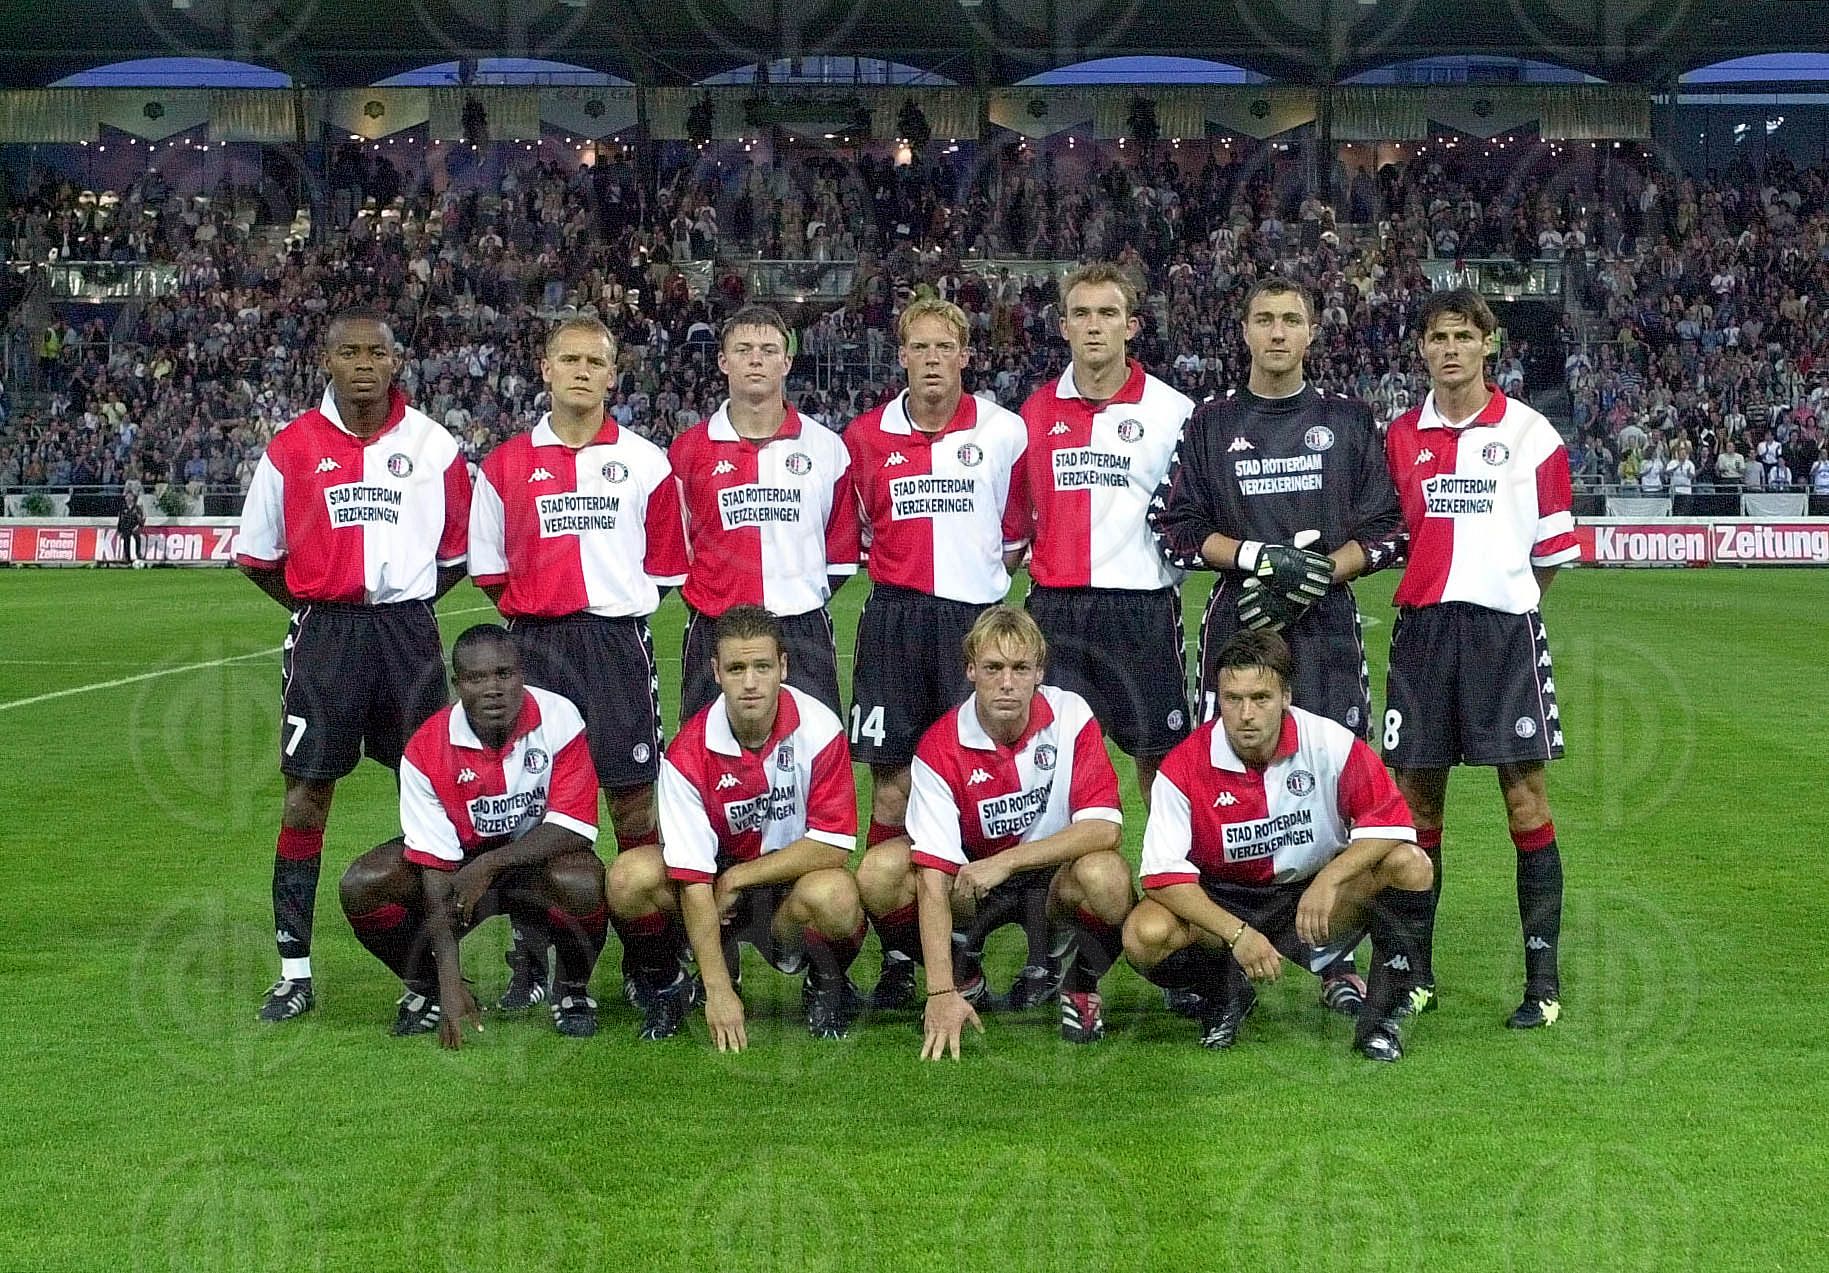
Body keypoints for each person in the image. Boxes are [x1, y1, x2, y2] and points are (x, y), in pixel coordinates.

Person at [1148, 275, 1406, 1018]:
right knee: (1226, 781)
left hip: (1325, 626)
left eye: (1291, 319)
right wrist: (1259, 558)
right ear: (1244, 330)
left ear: (1311, 331)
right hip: (1240, 619)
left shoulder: (1348, 420)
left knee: (1338, 782)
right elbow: (1174, 525)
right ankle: (1222, 950)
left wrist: (1319, 571)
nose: (1277, 332)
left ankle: (1335, 957)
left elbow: (1389, 528)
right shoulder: (1210, 422)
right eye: (1264, 319)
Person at [234, 309, 471, 1023]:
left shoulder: (433, 446)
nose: (363, 364)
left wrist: (399, 605)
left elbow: (455, 557)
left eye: (376, 352)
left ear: (396, 362)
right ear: (326, 360)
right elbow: (259, 557)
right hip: (326, 636)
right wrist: (322, 602)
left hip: (407, 636)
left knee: (428, 798)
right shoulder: (291, 448)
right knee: (306, 796)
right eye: (349, 352)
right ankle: (294, 971)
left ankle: (429, 974)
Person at [469, 315, 688, 1011]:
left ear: (612, 375)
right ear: (546, 369)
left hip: (616, 645)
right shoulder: (504, 466)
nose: (582, 372)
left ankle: (648, 956)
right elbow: (490, 571)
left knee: (632, 800)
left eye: (595, 362)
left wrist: (603, 608)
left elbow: (665, 568)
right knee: (531, 804)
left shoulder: (647, 462)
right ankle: (533, 959)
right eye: (569, 360)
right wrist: (545, 610)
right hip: (534, 648)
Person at [1381, 287, 1579, 1030]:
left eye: (1464, 336)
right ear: (1422, 349)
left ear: (1488, 344)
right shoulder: (1399, 436)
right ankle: (1414, 976)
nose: (1451, 349)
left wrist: (1501, 597)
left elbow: (1549, 556)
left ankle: (1542, 985)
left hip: (1503, 636)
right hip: (1423, 633)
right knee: (1417, 805)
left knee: (1524, 802)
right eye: (1438, 337)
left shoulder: (1532, 435)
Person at [1123, 630, 1433, 1061]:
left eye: (1260, 698)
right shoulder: (1183, 766)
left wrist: (1329, 879)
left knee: (1410, 865)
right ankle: (1224, 992)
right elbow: (1161, 876)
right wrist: (1237, 933)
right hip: (1223, 900)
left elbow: (1392, 823)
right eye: (1232, 699)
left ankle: (1382, 1020)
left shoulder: (1329, 743)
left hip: (1311, 898)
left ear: (1286, 696)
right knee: (1144, 935)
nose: (1246, 714)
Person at [842, 298, 1030, 1000]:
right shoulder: (865, 437)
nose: (930, 359)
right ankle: (898, 952)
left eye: (943, 347)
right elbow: (861, 532)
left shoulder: (1003, 432)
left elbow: (1014, 535)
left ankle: (971, 933)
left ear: (964, 356)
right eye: (917, 347)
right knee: (892, 785)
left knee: (977, 783)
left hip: (972, 624)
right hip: (893, 620)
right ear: (901, 356)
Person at [855, 606, 1132, 1057]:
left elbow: (1104, 828)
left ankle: (1078, 984)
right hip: (972, 887)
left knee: (1108, 876)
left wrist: (1006, 861)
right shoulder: (940, 746)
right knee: (878, 873)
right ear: (970, 671)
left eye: (1020, 668)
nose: (1007, 682)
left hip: (1049, 880)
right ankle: (962, 973)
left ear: (1039, 672)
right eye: (993, 668)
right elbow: (932, 878)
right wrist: (940, 991)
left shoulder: (1071, 715)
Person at [605, 606, 864, 1047]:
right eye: (736, 668)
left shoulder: (820, 728)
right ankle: (670, 986)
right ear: (716, 672)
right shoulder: (687, 754)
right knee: (628, 877)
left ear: (783, 666)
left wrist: (740, 877)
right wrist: (719, 991)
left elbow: (833, 845)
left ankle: (826, 987)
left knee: (837, 895)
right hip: (713, 891)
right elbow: (692, 878)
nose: (750, 683)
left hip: (785, 886)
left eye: (762, 666)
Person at [336, 626, 609, 1044]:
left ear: (522, 674)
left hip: (533, 863)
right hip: (461, 871)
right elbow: (434, 869)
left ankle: (572, 990)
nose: (493, 689)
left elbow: (573, 827)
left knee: (582, 882)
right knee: (364, 884)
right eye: (477, 678)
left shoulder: (559, 717)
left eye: (504, 674)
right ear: (457, 684)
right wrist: (448, 979)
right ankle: (428, 989)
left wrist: (491, 863)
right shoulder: (426, 749)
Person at [1007, 261, 1196, 810]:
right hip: (1056, 609)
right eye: (1082, 313)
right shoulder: (1033, 413)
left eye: (1108, 313)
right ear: (1063, 325)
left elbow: (1188, 516)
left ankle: (1166, 866)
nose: (1094, 326)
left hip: (1143, 608)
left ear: (1131, 325)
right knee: (1049, 765)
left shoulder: (1173, 412)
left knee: (1161, 767)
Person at [668, 305, 859, 722]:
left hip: (801, 628)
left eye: (769, 350)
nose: (756, 359)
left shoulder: (826, 448)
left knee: (815, 748)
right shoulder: (687, 451)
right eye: (744, 349)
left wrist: (794, 593)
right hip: (716, 626)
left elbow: (840, 556)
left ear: (787, 362)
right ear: (723, 361)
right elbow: (678, 554)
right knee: (707, 752)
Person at [115, 492, 144, 567]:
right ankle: (127, 559)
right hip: (126, 527)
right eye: (127, 496)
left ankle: (138, 555)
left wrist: (139, 526)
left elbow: (141, 518)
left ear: (133, 498)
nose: (128, 498)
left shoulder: (137, 508)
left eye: (130, 496)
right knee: (126, 541)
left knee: (137, 538)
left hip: (134, 527)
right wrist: (119, 529)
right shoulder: (123, 508)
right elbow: (120, 519)